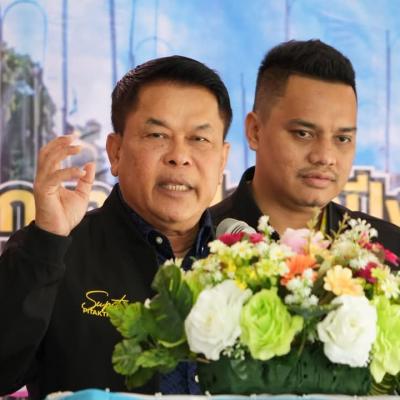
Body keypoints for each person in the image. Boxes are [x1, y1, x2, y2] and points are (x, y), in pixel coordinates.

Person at [0, 55, 231, 399]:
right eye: (157, 135)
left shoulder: (256, 263)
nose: (179, 156)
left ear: (223, 159)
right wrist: (47, 242)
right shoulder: (56, 251)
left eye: (199, 139)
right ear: (116, 152)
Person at [211, 39, 400, 255]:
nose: (325, 157)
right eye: (303, 134)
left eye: (342, 138)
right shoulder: (196, 245)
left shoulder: (388, 249)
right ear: (255, 131)